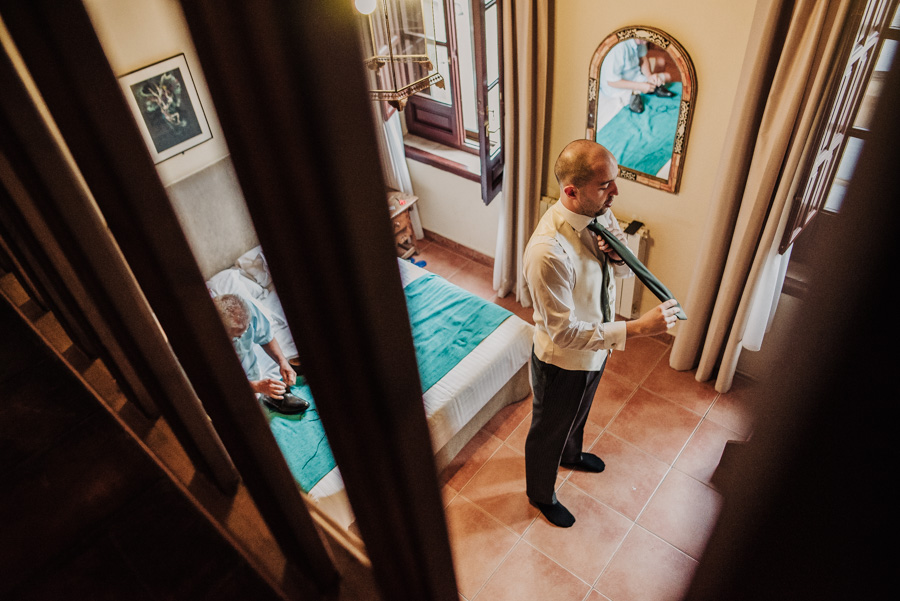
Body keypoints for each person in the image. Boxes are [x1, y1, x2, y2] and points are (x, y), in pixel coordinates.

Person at [522, 140, 680, 527]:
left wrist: (616, 257)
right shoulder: (547, 252)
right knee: (548, 431)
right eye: (605, 185)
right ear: (571, 191)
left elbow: (619, 272)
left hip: (596, 349)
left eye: (614, 180)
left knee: (579, 412)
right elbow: (563, 334)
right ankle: (540, 493)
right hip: (562, 362)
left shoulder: (601, 214)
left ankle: (571, 455)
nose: (616, 192)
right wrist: (637, 329)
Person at [213, 293, 310, 415]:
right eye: (235, 337)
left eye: (245, 331)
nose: (241, 338)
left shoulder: (247, 308)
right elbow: (216, 383)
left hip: (251, 372)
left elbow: (265, 336)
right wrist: (256, 387)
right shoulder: (206, 339)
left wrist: (282, 361)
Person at [599, 38, 674, 114]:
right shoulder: (619, 47)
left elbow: (643, 59)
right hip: (616, 86)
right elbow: (611, 82)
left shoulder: (641, 41)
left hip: (634, 76)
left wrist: (649, 76)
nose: (645, 43)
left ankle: (647, 88)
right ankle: (634, 94)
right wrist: (639, 86)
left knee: (667, 76)